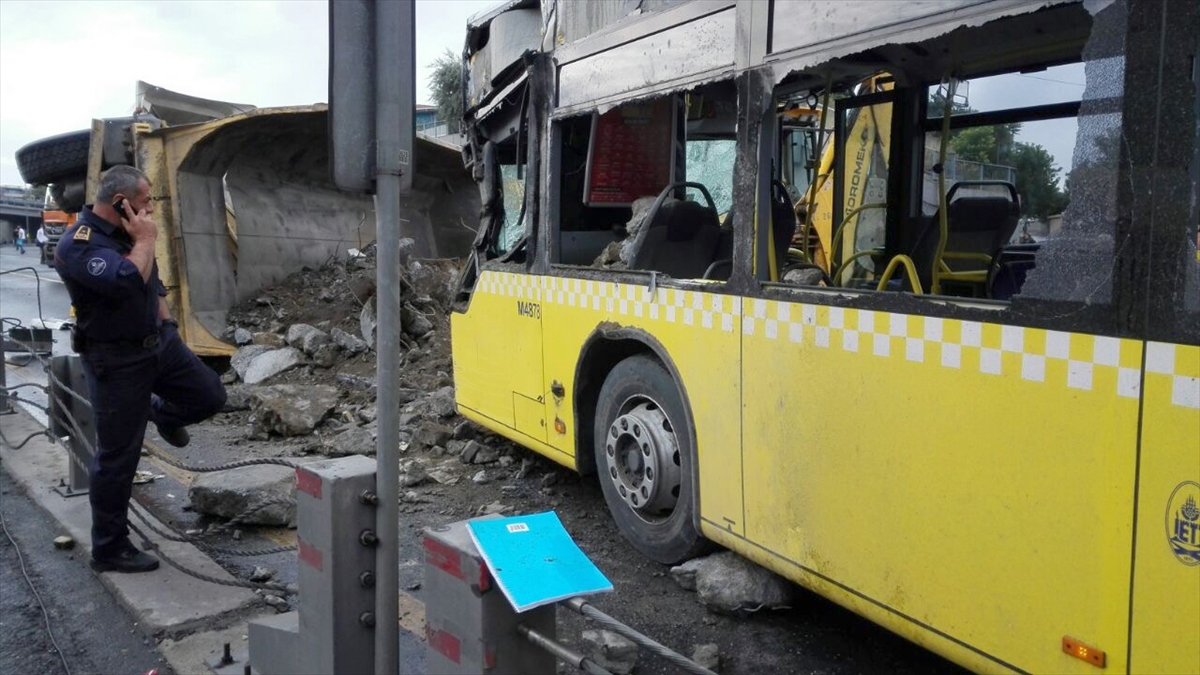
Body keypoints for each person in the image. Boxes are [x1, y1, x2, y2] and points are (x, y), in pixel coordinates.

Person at [54, 165, 227, 574]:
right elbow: (129, 279)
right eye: (146, 201)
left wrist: (167, 325)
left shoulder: (127, 233)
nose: (150, 209)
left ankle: (159, 412)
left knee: (209, 396)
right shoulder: (79, 245)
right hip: (115, 362)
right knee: (118, 458)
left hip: (158, 344)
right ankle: (110, 549)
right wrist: (147, 239)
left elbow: (153, 285)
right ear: (120, 203)